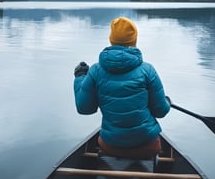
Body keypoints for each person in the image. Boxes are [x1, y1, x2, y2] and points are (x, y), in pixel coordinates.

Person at [73, 16, 171, 159]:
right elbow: (161, 111)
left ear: (111, 39)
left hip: (111, 145)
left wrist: (80, 77)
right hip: (148, 146)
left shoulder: (95, 71)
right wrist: (167, 102)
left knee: (102, 142)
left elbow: (84, 108)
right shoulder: (147, 70)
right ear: (134, 40)